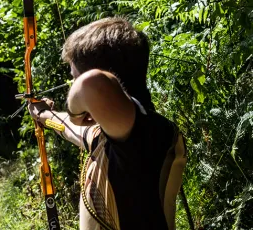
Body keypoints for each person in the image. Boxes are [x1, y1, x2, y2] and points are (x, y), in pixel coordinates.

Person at [28, 17, 187, 230]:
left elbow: (90, 85)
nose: (73, 84)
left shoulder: (143, 133)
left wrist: (75, 112)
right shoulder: (112, 135)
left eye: (74, 77)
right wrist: (44, 116)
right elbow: (69, 128)